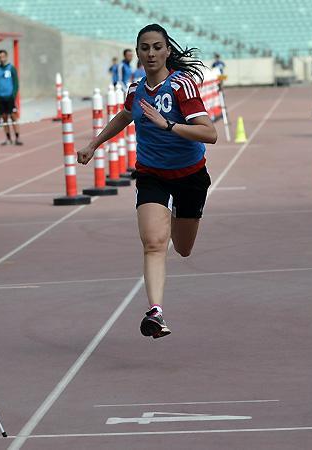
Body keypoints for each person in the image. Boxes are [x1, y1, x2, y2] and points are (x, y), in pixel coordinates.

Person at [77, 23, 217, 339]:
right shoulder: (135, 90)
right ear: (137, 53)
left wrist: (168, 125)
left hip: (190, 175)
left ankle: (176, 214)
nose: (151, 53)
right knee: (154, 243)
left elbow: (210, 133)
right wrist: (94, 144)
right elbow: (124, 116)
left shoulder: (182, 86)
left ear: (167, 51)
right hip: (152, 174)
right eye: (144, 48)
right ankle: (156, 312)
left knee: (183, 248)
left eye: (157, 47)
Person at [0, 49, 22, 146]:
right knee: (4, 118)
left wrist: (13, 94)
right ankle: (8, 138)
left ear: (6, 56)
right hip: (0, 97)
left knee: (13, 117)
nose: (2, 59)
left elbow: (16, 83)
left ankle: (17, 137)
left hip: (9, 97)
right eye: (0, 57)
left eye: (3, 56)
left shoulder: (11, 68)